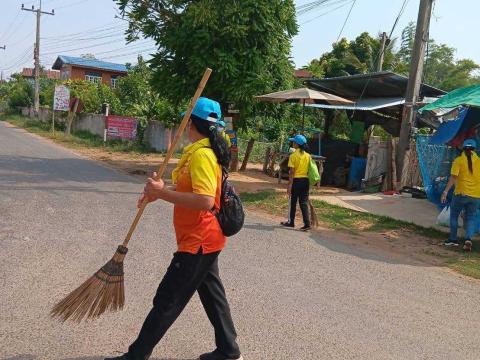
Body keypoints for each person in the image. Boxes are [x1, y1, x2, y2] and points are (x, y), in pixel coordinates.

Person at [105, 97, 242, 360]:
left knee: (167, 300)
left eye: (185, 119)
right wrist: (160, 193)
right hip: (206, 239)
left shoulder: (202, 154)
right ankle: (228, 349)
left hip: (199, 240)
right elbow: (191, 189)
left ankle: (136, 356)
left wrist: (162, 193)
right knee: (213, 295)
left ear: (191, 122)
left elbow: (204, 200)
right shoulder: (201, 151)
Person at [441, 139, 480, 251]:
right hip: (476, 195)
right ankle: (468, 239)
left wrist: (445, 191)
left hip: (461, 194)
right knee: (471, 218)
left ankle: (453, 240)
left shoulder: (458, 160)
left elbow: (453, 177)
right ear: (475, 149)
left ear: (462, 148)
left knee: (454, 215)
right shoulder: (479, 161)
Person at [281, 134, 311, 231]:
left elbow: (292, 172)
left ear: (297, 144)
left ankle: (291, 222)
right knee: (303, 203)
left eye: (294, 142)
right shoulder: (308, 156)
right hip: (306, 181)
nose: (292, 143)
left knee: (292, 202)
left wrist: (289, 185)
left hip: (296, 181)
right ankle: (307, 223)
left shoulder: (293, 156)